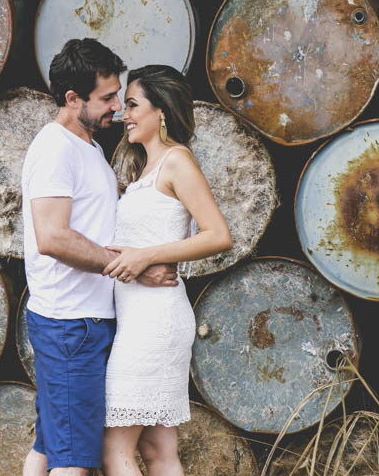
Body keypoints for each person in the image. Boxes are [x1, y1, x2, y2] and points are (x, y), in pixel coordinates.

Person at [21, 39, 179, 476]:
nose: (117, 106)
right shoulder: (55, 148)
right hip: (71, 325)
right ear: (73, 98)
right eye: (107, 98)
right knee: (75, 463)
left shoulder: (86, 146)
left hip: (82, 321)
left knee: (50, 445)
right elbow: (52, 237)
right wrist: (133, 267)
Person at [100, 64, 232, 476]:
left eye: (132, 105)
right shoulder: (144, 170)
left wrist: (146, 256)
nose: (124, 114)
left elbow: (218, 235)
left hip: (154, 323)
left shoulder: (177, 161)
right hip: (143, 318)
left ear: (161, 111)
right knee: (158, 449)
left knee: (114, 450)